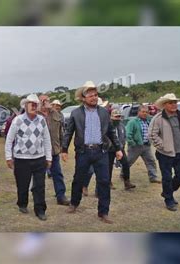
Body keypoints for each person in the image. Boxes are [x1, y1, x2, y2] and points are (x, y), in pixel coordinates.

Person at [61, 81, 123, 224]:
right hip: (83, 152)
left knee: (104, 182)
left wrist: (118, 148)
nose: (94, 98)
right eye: (90, 96)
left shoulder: (103, 112)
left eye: (95, 95)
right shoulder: (76, 113)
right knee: (78, 179)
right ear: (83, 98)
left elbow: (111, 132)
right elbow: (68, 132)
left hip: (101, 151)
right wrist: (64, 149)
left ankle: (104, 212)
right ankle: (74, 203)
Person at [5, 94, 52, 221]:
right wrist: (9, 157)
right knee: (22, 184)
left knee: (39, 186)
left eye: (35, 104)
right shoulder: (17, 120)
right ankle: (22, 203)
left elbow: (47, 139)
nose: (33, 106)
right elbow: (9, 139)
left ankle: (40, 209)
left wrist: (49, 158)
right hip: (22, 159)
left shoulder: (42, 120)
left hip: (39, 158)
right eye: (30, 103)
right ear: (25, 106)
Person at [149, 93, 180, 211]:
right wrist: (163, 146)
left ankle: (167, 192)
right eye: (171, 103)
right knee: (167, 177)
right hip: (165, 153)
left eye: (175, 102)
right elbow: (152, 135)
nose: (174, 105)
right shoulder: (158, 118)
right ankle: (169, 200)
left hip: (179, 152)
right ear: (165, 105)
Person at [85, 110, 135, 192]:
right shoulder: (107, 126)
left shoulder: (121, 126)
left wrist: (121, 146)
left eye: (119, 117)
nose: (118, 118)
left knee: (126, 164)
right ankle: (108, 182)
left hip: (120, 148)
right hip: (110, 149)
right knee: (109, 166)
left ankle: (127, 182)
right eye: (116, 117)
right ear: (111, 117)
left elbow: (123, 136)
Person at [38, 96, 70, 206]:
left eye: (47, 100)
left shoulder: (56, 114)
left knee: (58, 174)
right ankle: (38, 199)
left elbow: (61, 132)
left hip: (54, 150)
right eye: (42, 101)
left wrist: (62, 147)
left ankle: (61, 196)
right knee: (38, 177)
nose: (45, 102)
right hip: (39, 152)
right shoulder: (35, 115)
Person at [124, 105, 160, 183]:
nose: (145, 113)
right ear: (138, 112)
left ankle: (153, 177)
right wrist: (132, 142)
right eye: (143, 112)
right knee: (129, 161)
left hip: (146, 145)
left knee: (151, 161)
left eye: (146, 112)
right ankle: (123, 174)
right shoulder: (133, 122)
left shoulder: (148, 121)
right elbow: (128, 133)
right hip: (135, 146)